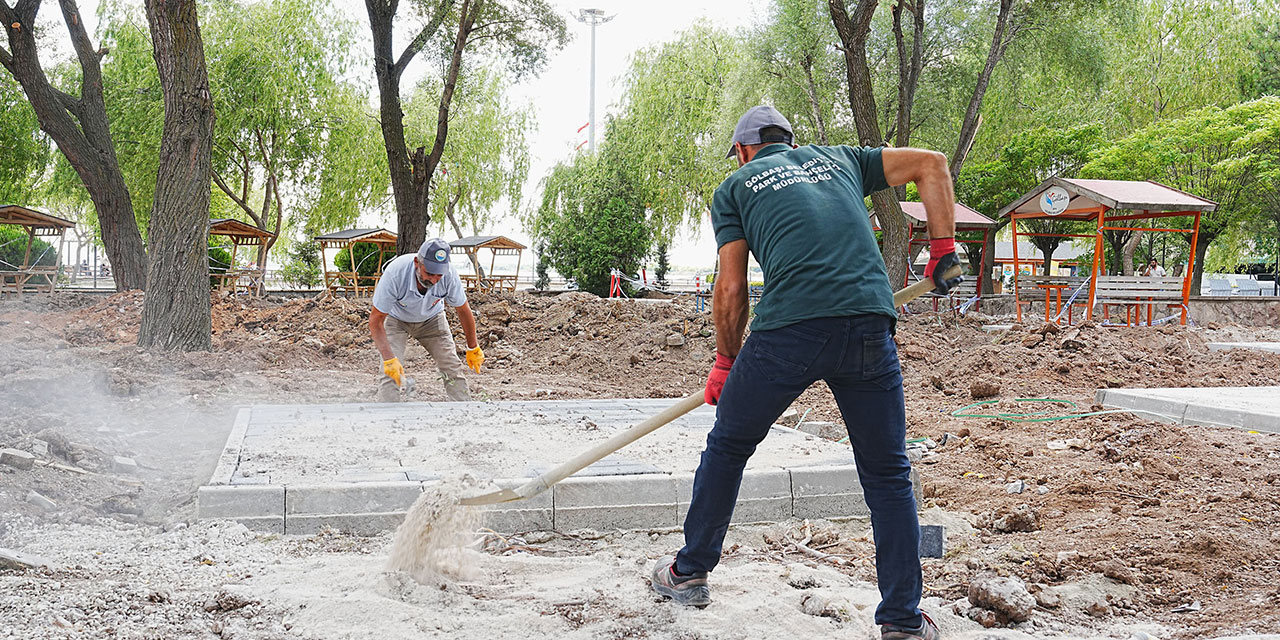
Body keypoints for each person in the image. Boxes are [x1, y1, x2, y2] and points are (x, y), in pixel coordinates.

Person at [649, 106, 960, 640]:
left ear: (745, 150)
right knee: (887, 473)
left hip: (788, 332)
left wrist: (725, 362)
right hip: (868, 324)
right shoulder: (840, 159)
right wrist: (943, 250)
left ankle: (689, 571)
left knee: (727, 448)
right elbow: (932, 164)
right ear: (790, 143)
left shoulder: (736, 186)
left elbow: (730, 289)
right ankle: (903, 621)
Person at [369, 238, 484, 402]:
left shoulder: (449, 275)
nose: (434, 280)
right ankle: (386, 418)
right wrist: (388, 358)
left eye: (439, 275)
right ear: (417, 262)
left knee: (451, 366)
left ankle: (463, 411)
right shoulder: (395, 274)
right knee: (390, 373)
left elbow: (463, 310)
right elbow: (375, 320)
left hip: (432, 320)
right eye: (429, 273)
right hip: (397, 320)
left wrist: (473, 347)